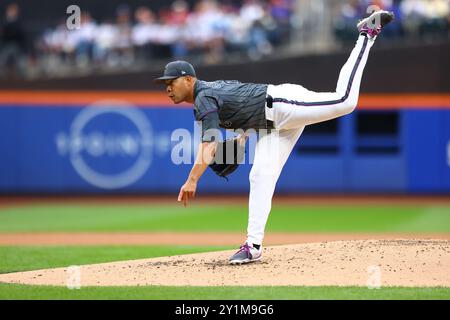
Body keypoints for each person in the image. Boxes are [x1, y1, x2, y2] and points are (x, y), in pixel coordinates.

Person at [154, 10, 395, 264]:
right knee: (260, 175)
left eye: (172, 81)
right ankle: (252, 245)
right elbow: (242, 98)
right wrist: (241, 138)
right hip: (269, 125)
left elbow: (210, 142)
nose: (168, 87)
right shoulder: (208, 92)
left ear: (189, 79)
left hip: (282, 104)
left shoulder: (203, 97)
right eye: (165, 84)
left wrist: (192, 180)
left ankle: (366, 35)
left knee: (345, 101)